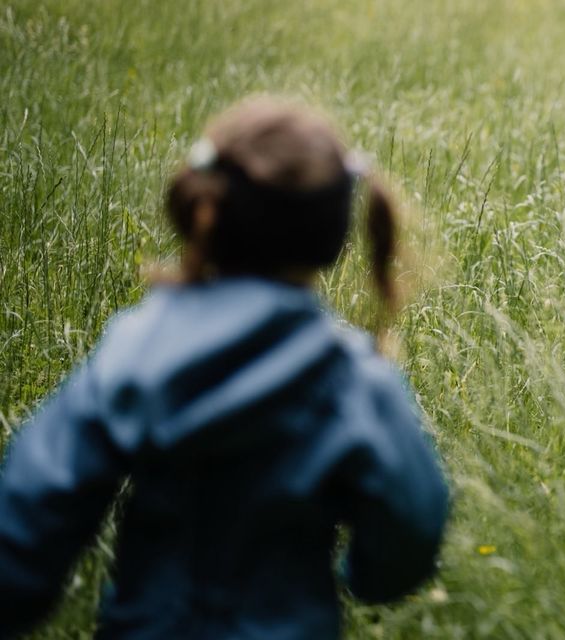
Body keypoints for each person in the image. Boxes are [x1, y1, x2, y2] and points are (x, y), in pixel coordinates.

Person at [0, 97, 449, 639]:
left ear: (202, 210)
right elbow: (413, 522)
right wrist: (365, 577)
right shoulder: (352, 377)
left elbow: (32, 501)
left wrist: (20, 594)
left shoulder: (137, 348)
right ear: (334, 235)